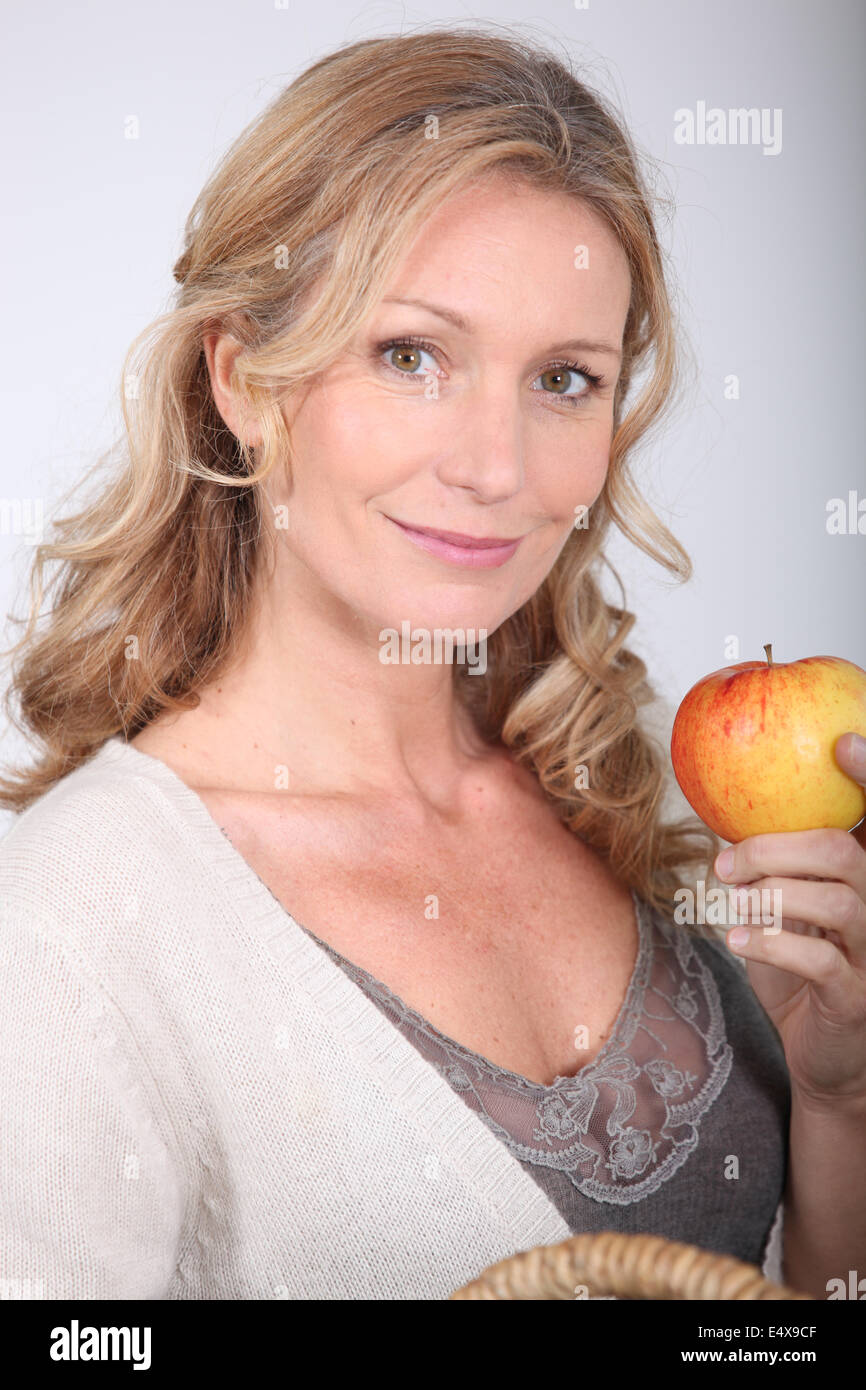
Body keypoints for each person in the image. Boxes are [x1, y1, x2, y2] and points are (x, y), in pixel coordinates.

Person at [1, 27, 863, 1302]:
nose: (495, 467)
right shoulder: (80, 919)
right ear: (245, 380)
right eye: (412, 356)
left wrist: (838, 1100)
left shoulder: (659, 812)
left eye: (563, 379)